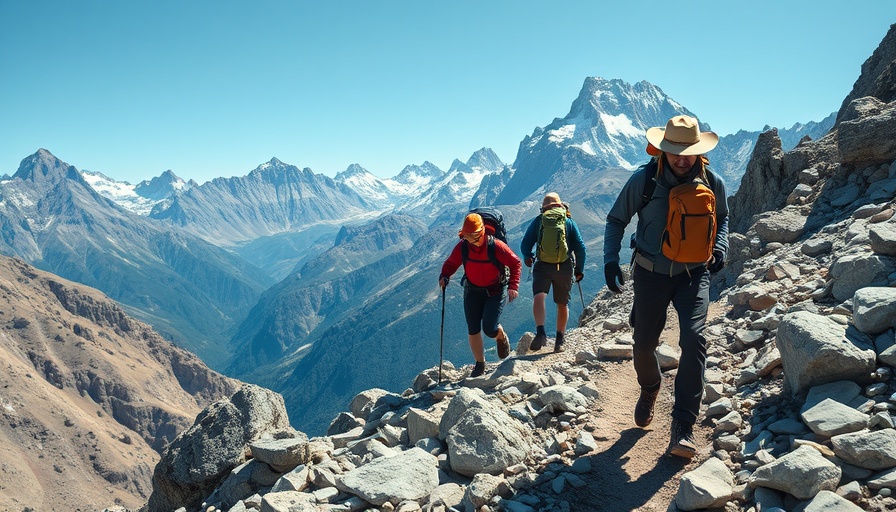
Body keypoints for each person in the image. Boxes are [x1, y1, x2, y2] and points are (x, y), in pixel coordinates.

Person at [603, 115, 729, 459]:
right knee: (643, 344)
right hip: (650, 273)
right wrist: (610, 260)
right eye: (675, 151)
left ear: (697, 150)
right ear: (663, 149)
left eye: (688, 151)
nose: (682, 158)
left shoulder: (711, 181)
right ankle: (650, 386)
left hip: (693, 274)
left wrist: (721, 247)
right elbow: (617, 219)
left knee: (694, 338)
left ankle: (683, 427)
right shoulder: (644, 180)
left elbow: (724, 218)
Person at [439, 213, 522, 377]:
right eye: (467, 237)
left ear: (481, 232)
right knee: (473, 328)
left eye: (473, 236)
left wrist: (513, 286)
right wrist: (444, 275)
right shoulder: (463, 246)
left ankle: (500, 336)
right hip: (472, 291)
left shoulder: (495, 245)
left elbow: (515, 263)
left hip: (495, 291)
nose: (470, 240)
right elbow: (451, 263)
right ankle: (479, 364)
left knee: (490, 328)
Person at [520, 192, 586, 353]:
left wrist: (528, 256)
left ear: (543, 208)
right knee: (562, 304)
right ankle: (559, 340)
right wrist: (579, 270)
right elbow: (580, 247)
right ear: (561, 206)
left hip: (542, 265)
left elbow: (525, 243)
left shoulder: (539, 221)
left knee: (539, 296)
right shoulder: (568, 222)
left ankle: (540, 332)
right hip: (564, 267)